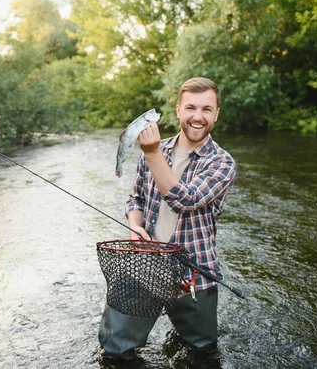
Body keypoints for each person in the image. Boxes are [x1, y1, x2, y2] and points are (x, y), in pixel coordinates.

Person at [99, 77, 237, 363]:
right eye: (190, 108)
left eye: (207, 109)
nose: (198, 117)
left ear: (217, 113)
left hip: (193, 274)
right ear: (177, 110)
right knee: (116, 351)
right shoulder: (155, 149)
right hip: (144, 265)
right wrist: (135, 226)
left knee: (201, 353)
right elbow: (135, 198)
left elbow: (184, 199)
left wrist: (150, 153)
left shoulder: (222, 163)